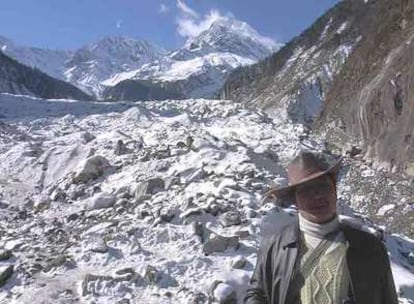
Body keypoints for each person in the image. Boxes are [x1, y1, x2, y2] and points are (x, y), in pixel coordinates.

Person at [244, 151, 398, 304]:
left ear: (335, 191)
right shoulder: (274, 247)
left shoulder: (370, 247)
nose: (317, 196)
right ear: (295, 200)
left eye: (323, 186)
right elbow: (257, 293)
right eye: (306, 190)